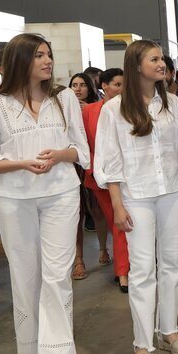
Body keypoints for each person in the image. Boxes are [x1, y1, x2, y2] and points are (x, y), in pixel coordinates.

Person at [0, 33, 90, 354]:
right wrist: (22, 163)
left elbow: (81, 150)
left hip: (61, 195)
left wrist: (58, 155)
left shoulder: (64, 98)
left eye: (49, 54)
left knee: (57, 277)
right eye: (39, 55)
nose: (48, 61)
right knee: (27, 278)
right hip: (15, 200)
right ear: (21, 59)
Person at [95, 40, 178, 354]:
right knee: (142, 269)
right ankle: (142, 342)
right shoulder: (113, 109)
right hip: (136, 195)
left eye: (161, 59)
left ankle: (168, 330)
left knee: (172, 262)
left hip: (172, 190)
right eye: (153, 59)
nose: (161, 63)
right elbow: (109, 161)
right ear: (136, 65)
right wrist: (117, 204)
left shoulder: (171, 102)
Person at [82, 68, 129, 292]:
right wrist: (94, 166)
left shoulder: (132, 108)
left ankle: (129, 268)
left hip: (130, 176)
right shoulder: (90, 111)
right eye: (117, 84)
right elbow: (83, 144)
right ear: (104, 86)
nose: (121, 89)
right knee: (118, 224)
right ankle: (123, 272)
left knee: (130, 224)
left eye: (124, 84)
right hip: (102, 178)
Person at [68, 72, 103, 281]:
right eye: (74, 85)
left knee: (97, 210)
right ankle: (78, 259)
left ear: (90, 88)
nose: (78, 89)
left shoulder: (98, 108)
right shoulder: (63, 108)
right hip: (72, 165)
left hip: (92, 163)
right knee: (76, 214)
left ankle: (103, 249)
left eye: (82, 85)